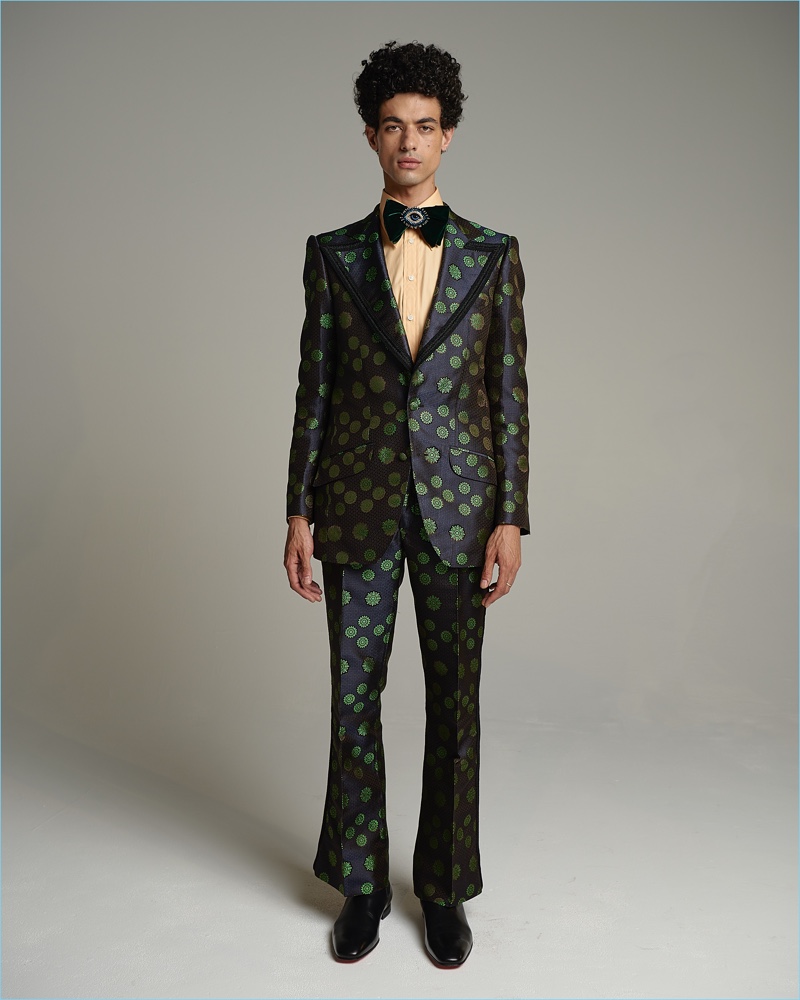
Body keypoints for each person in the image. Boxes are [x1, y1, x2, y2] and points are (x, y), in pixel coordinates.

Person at [284, 40, 529, 967]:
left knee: (455, 705)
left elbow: (508, 397)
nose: (410, 143)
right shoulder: (333, 255)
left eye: (425, 127)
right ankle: (359, 884)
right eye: (393, 127)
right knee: (354, 698)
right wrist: (297, 510)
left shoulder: (493, 257)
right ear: (371, 136)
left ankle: (444, 889)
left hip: (462, 511)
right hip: (354, 504)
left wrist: (511, 517)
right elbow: (314, 390)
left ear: (448, 134)